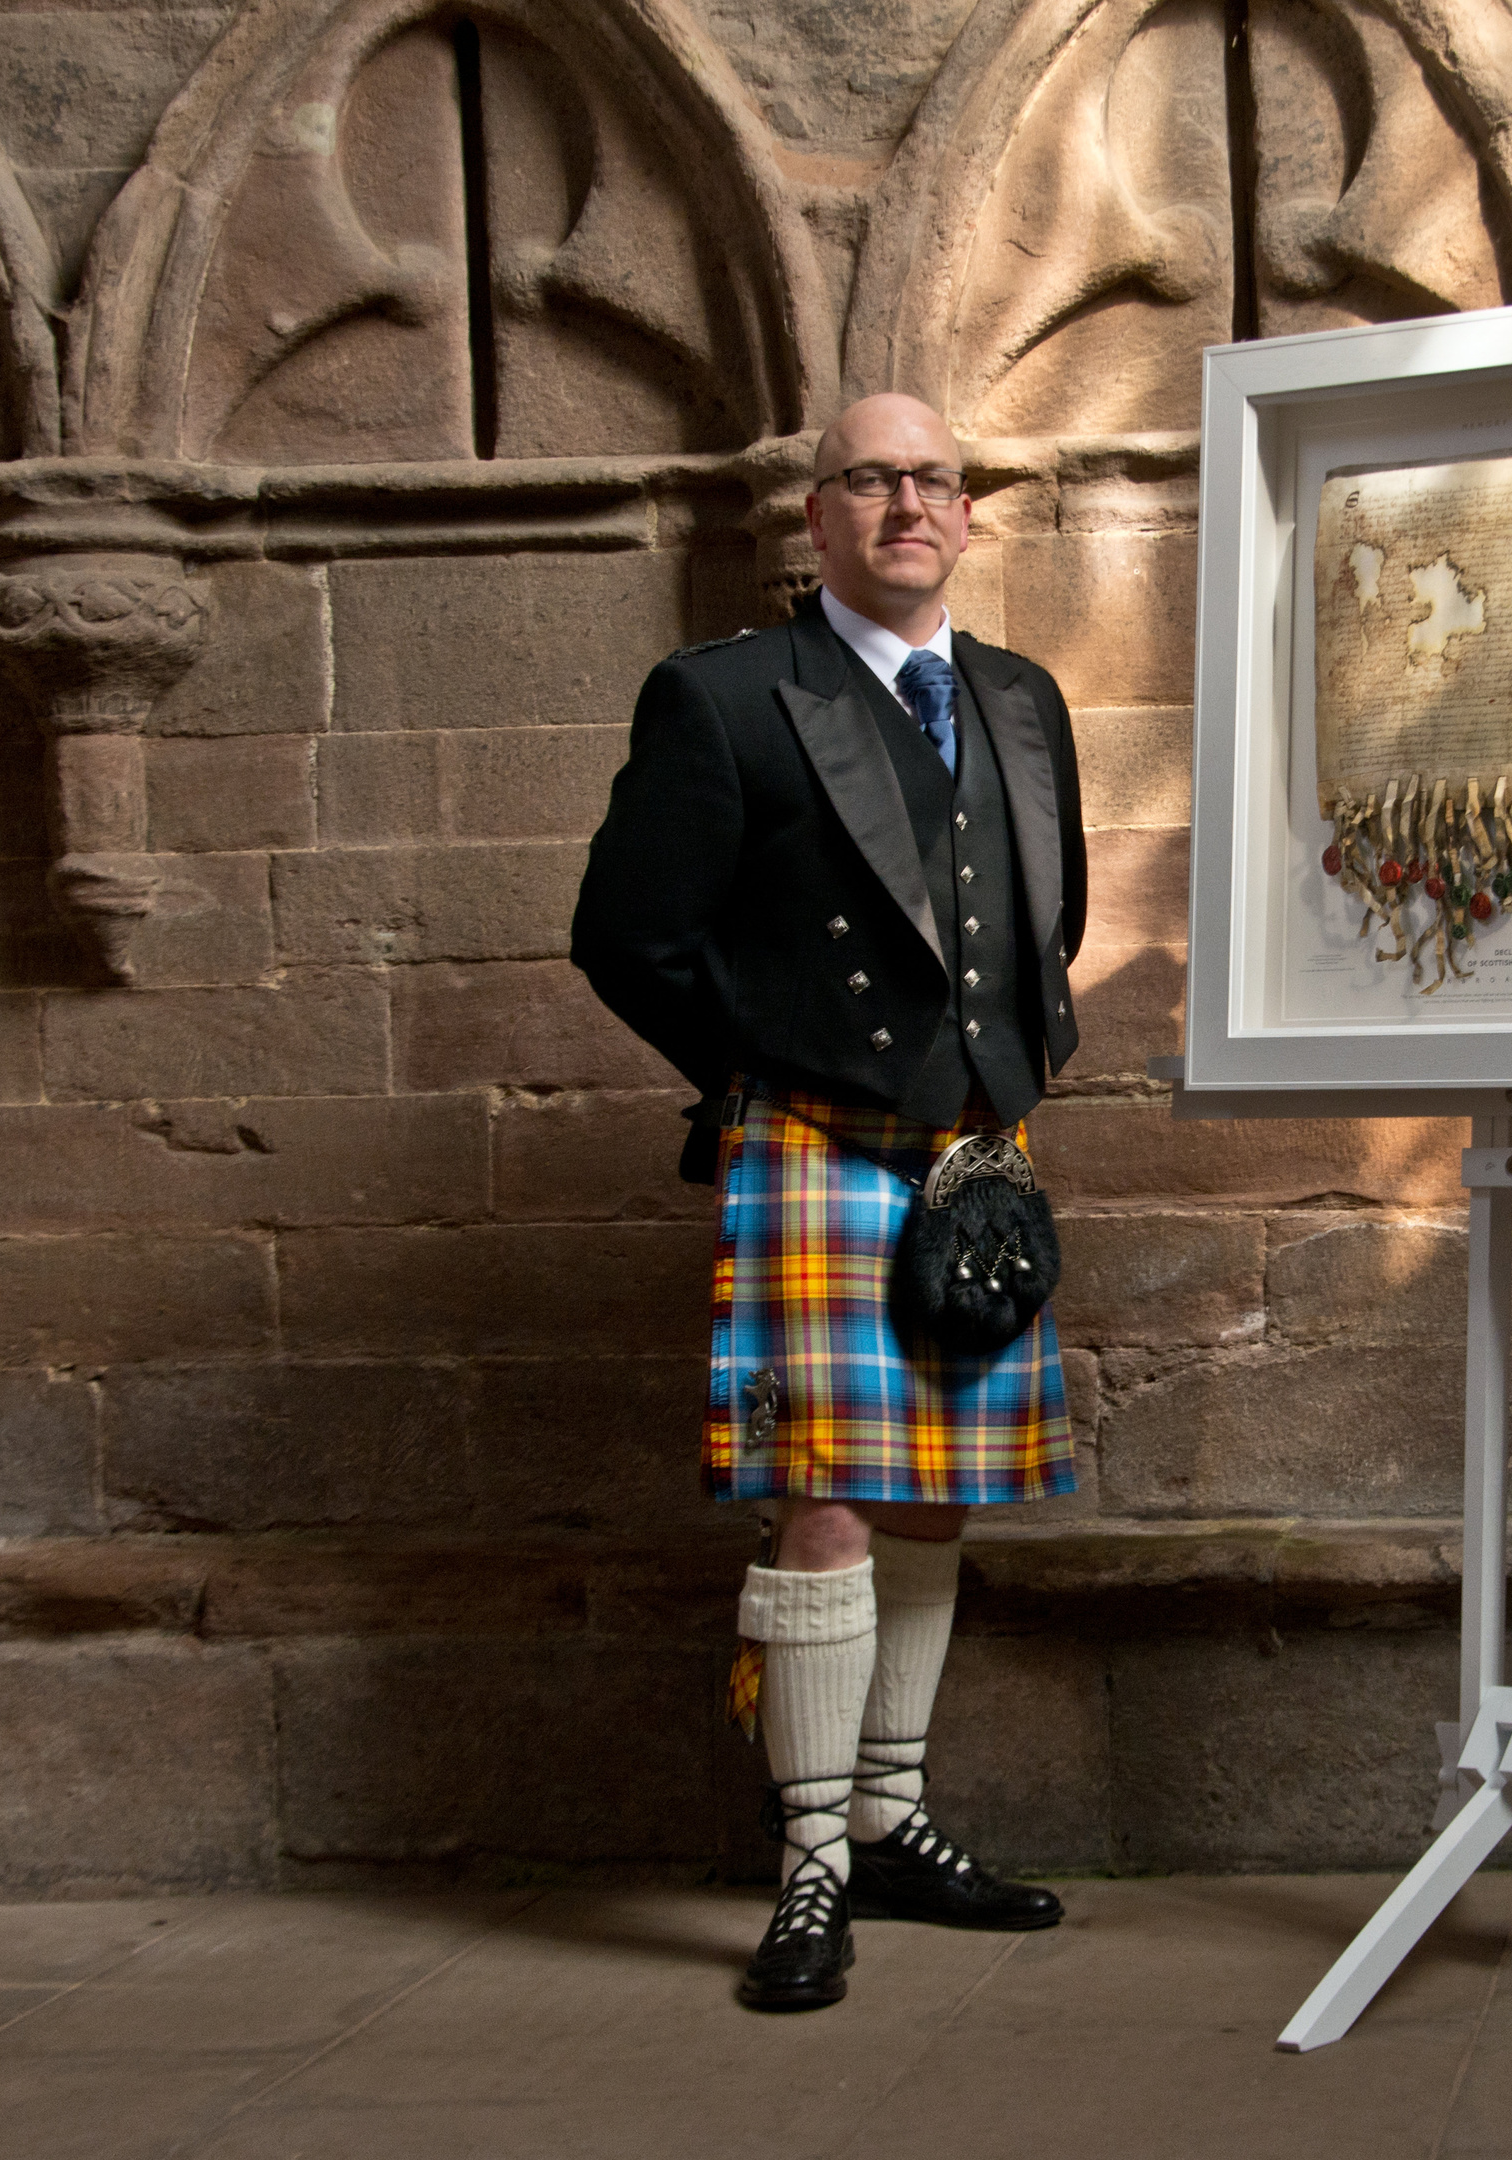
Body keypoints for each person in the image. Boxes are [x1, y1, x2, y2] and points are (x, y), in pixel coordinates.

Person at [571, 393, 1085, 2011]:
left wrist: (1011, 1060)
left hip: (975, 1154)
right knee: (831, 1500)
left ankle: (891, 1819)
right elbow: (628, 935)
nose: (907, 503)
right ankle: (808, 1871)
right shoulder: (724, 696)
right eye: (871, 478)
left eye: (934, 479)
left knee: (938, 1496)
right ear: (820, 516)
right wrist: (775, 1070)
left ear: (969, 513)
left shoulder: (1015, 695)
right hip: (813, 1137)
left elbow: (1043, 905)